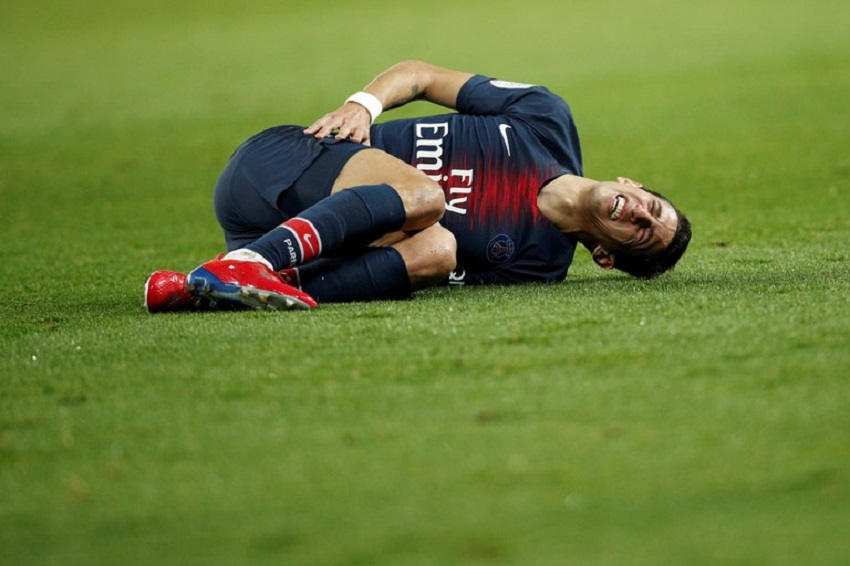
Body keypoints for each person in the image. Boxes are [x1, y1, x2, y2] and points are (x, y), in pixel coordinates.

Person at [145, 60, 691, 312]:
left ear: (604, 255)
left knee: (438, 245)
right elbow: (422, 76)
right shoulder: (544, 119)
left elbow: (415, 265)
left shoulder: (536, 267)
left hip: (281, 233)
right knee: (427, 198)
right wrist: (363, 106)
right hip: (285, 161)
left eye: (642, 232)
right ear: (633, 183)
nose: (640, 214)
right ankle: (252, 268)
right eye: (652, 206)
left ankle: (215, 285)